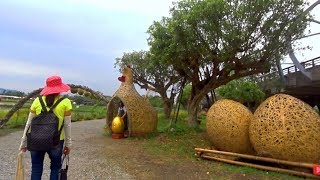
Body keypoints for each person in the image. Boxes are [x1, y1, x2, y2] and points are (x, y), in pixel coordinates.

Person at [19, 75, 72, 180]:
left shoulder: (37, 101)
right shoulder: (65, 102)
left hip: (35, 140)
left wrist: (23, 142)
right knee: (55, 168)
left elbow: (28, 123)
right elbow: (67, 126)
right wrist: (68, 144)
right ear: (60, 88)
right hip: (56, 142)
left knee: (36, 168)